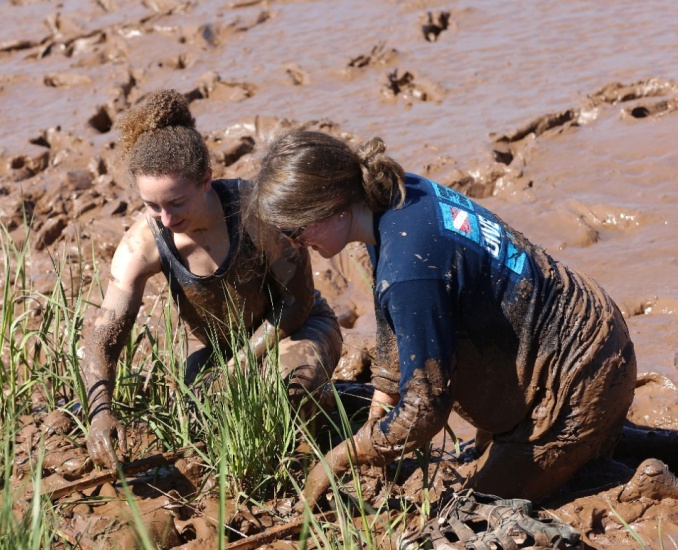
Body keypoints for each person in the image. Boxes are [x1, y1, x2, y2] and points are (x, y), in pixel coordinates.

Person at [244, 129, 644, 504]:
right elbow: (395, 322)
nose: (294, 242)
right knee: (578, 450)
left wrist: (338, 459)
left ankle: (644, 482)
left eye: (294, 229)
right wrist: (382, 396)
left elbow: (424, 411)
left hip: (577, 381)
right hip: (592, 329)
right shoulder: (396, 196)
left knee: (474, 512)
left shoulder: (408, 271)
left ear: (331, 208)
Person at [81, 91, 342, 471]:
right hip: (217, 353)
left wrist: (238, 368)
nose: (165, 219)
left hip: (298, 328)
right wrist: (99, 412)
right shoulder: (141, 244)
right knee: (201, 430)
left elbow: (297, 304)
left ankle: (319, 454)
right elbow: (103, 337)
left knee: (291, 388)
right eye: (151, 206)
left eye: (176, 203)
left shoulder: (257, 213)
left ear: (206, 180)